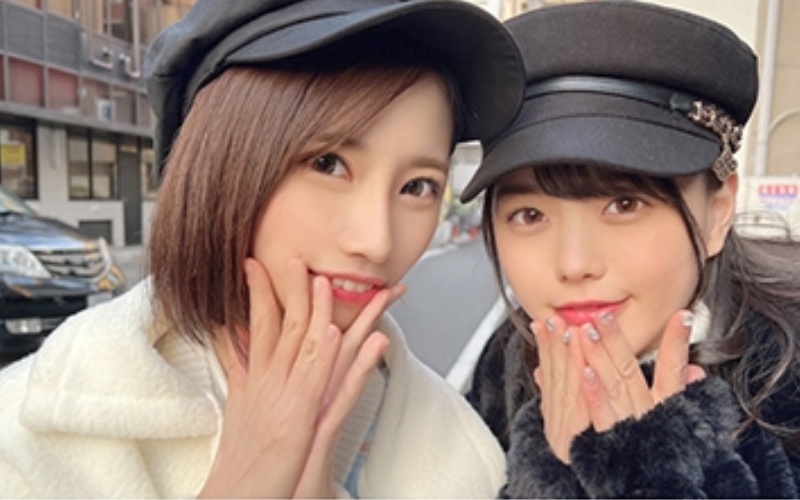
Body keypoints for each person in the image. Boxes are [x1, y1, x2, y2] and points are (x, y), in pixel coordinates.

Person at [0, 0, 526, 497]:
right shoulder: (24, 438)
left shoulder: (463, 456)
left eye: (418, 186)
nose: (377, 241)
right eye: (328, 164)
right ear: (218, 163)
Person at [461, 1, 800, 497]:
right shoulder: (508, 362)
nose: (574, 265)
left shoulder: (786, 377)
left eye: (624, 204)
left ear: (717, 211)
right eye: (530, 215)